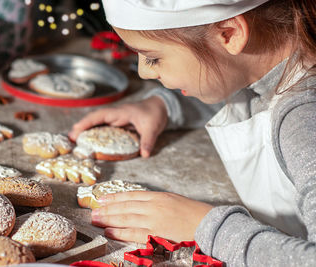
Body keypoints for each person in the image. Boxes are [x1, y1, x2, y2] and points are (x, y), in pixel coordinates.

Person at [68, 0, 316, 265]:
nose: (144, 72)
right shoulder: (277, 64)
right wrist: (164, 105)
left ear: (229, 34)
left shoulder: (304, 120)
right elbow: (232, 82)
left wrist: (204, 227)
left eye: (153, 57)